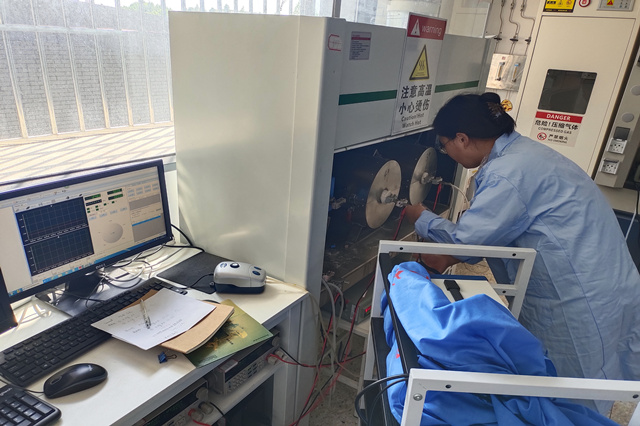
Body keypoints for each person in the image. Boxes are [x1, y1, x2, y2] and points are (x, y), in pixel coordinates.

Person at [405, 92, 640, 413]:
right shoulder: (526, 153)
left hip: (576, 298)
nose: (448, 153)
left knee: (573, 394)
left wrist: (421, 217)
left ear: (462, 138)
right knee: (600, 371)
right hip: (609, 282)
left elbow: (468, 243)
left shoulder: (508, 173)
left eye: (445, 145)